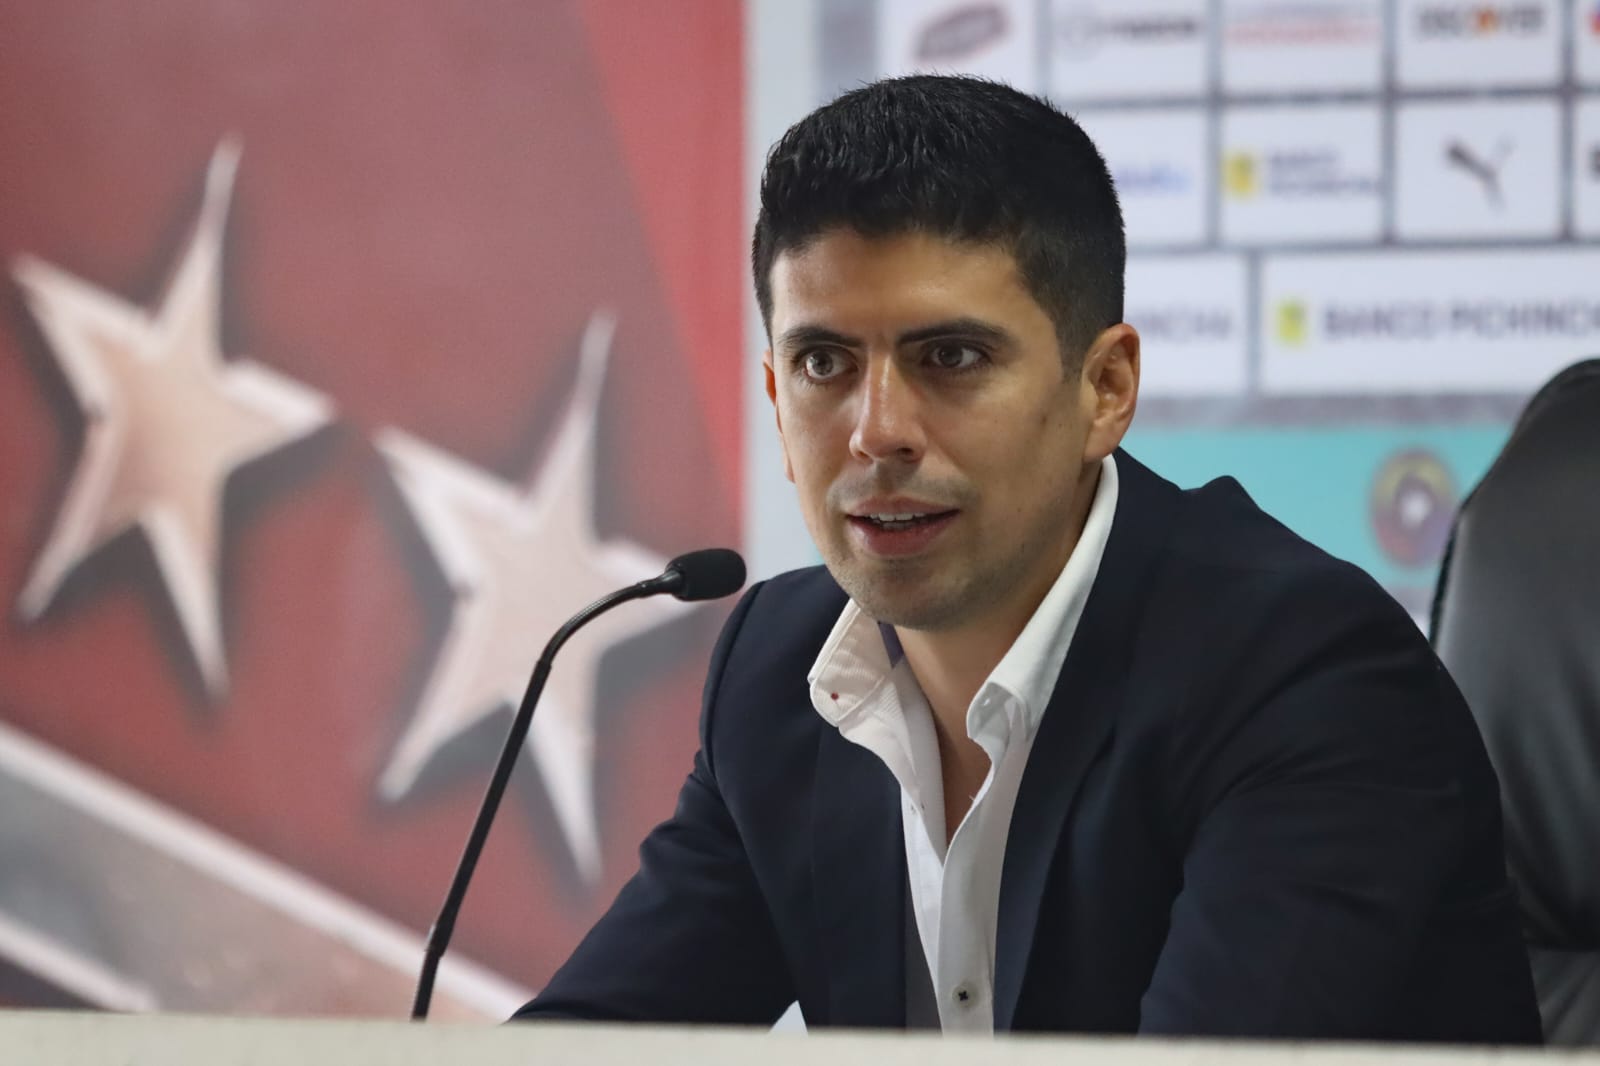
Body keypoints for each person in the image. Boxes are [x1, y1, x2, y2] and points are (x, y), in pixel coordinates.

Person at [514, 75, 1541, 1041]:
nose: (876, 431)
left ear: (1104, 390)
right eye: (824, 362)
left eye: (950, 357)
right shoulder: (776, 673)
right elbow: (586, 1048)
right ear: (778, 403)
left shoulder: (1302, 675)